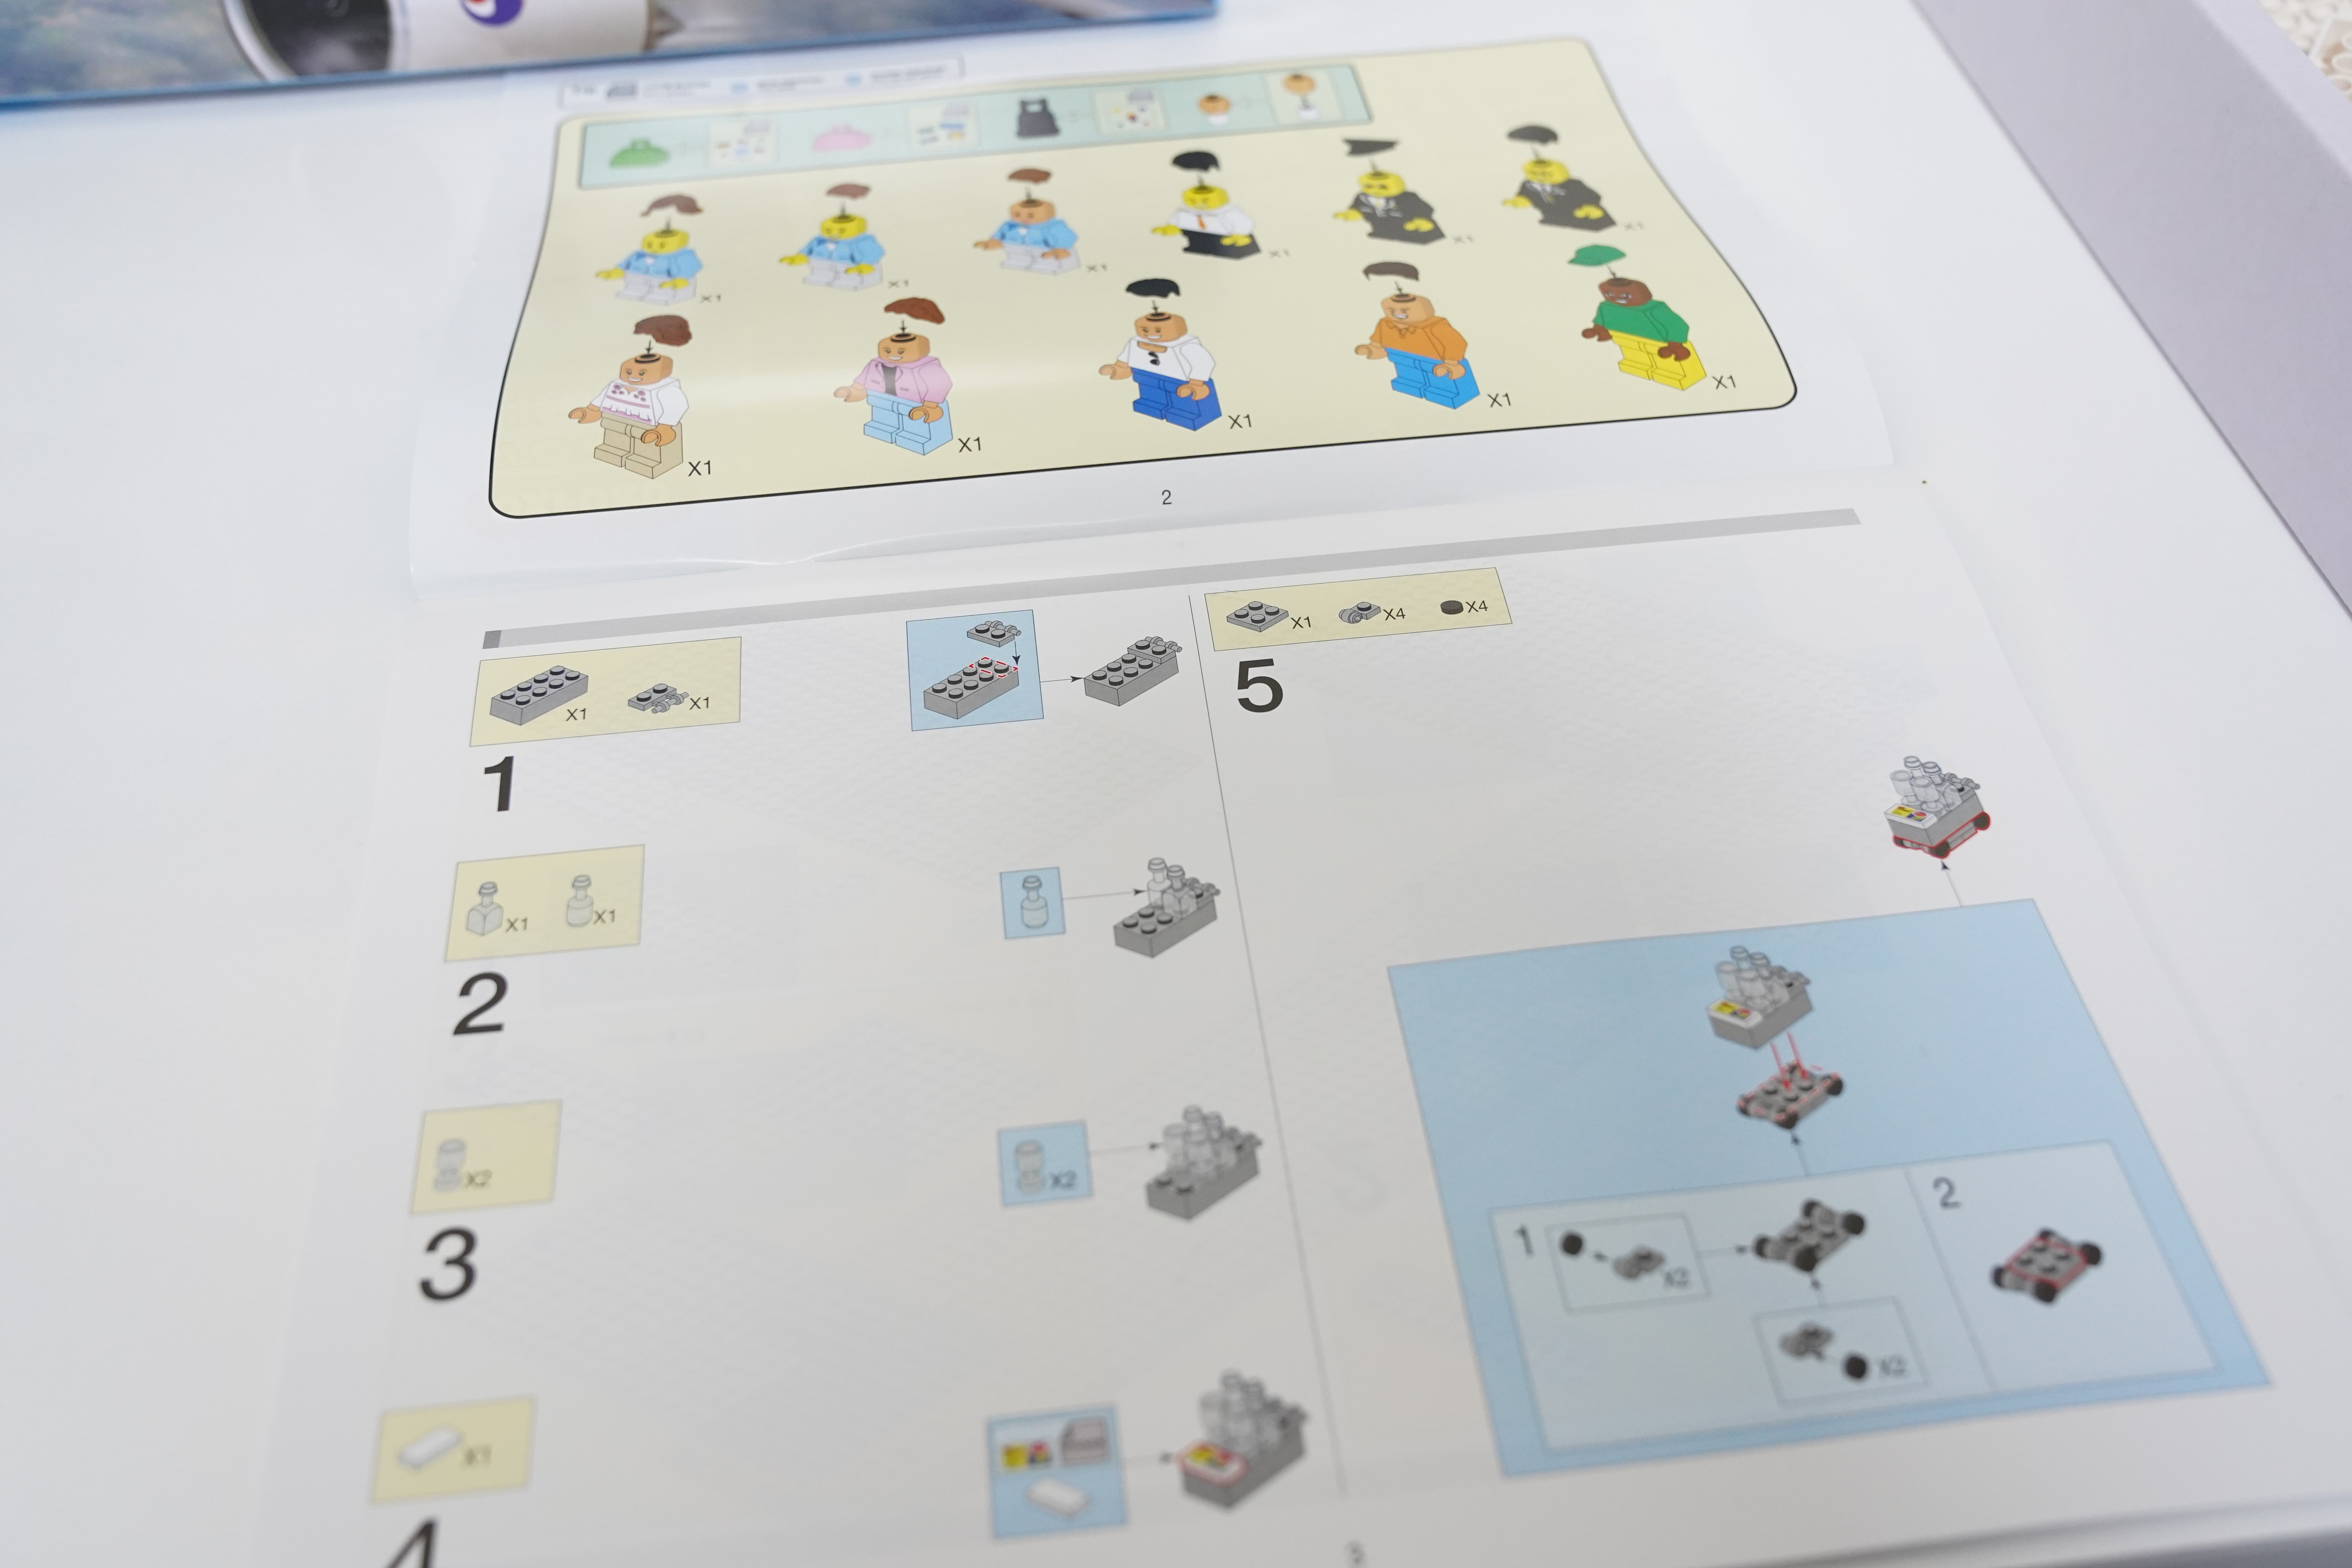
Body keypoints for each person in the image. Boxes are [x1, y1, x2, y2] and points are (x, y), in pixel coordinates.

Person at [1100, 279, 1221, 430]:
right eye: (1146, 330)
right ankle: (1151, 406)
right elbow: (1126, 358)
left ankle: (1186, 415)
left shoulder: (1186, 346)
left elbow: (1203, 362)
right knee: (1152, 398)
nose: (1151, 334)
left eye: (1158, 330)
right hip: (1146, 377)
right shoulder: (1136, 343)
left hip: (1180, 381)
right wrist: (1118, 368)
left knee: (1183, 401)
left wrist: (1196, 383)